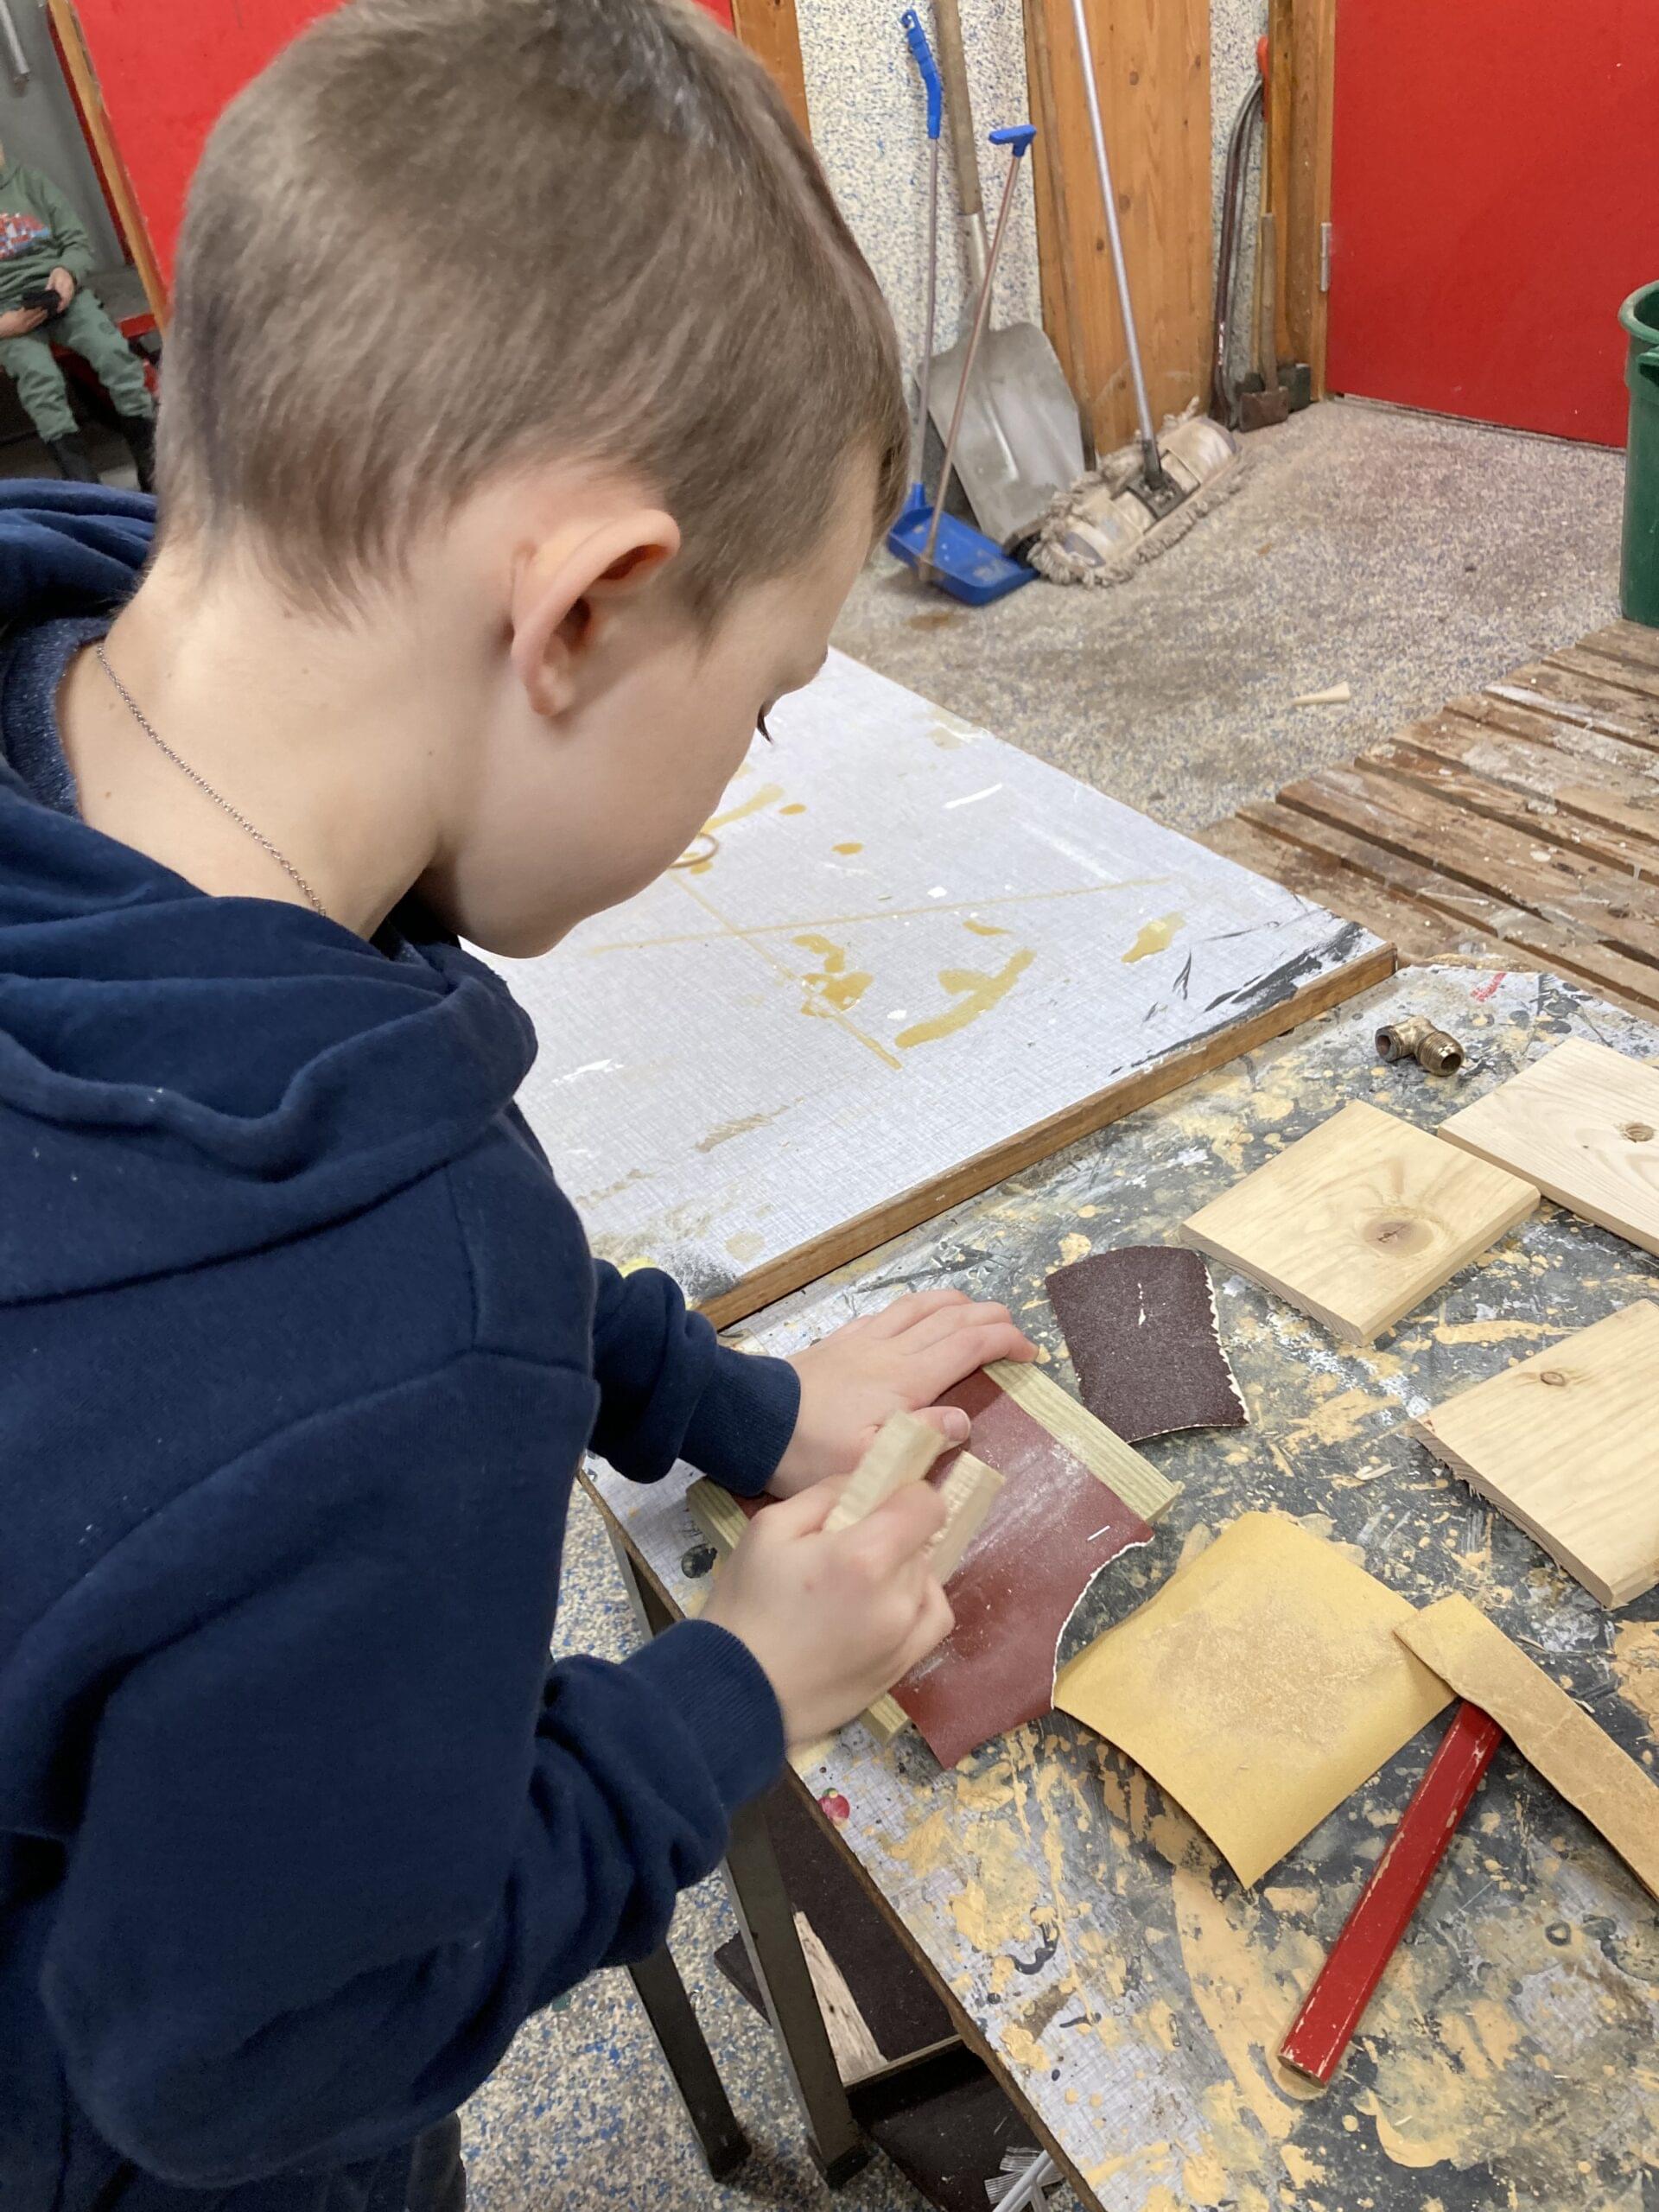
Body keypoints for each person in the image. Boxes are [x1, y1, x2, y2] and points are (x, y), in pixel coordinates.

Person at [0, 7, 1036, 2212]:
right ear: (580, 608)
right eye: (759, 701)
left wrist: (717, 1401)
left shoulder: (81, 693)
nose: (742, 771)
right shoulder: (401, 1304)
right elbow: (261, 2051)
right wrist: (730, 1687)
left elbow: (281, 1190)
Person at [0, 143, 155, 488]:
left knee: (114, 354)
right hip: (7, 315)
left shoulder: (32, 183)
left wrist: (67, 273)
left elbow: (77, 242)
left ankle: (150, 462)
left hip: (60, 295)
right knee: (39, 379)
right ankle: (83, 482)